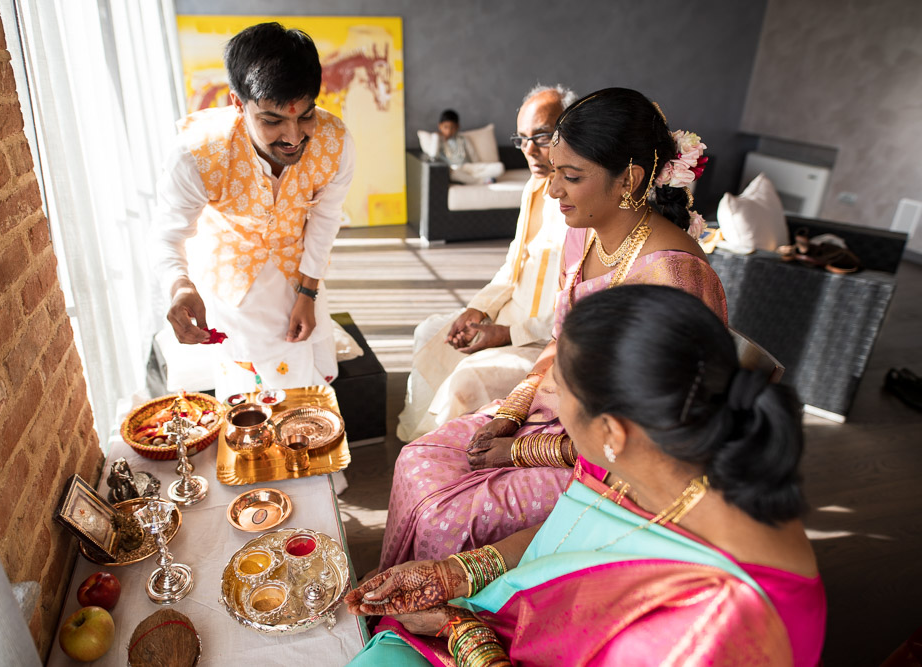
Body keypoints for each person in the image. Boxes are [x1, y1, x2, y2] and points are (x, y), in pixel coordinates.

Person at [347, 285, 826, 666]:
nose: (549, 399)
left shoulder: (715, 624)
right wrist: (456, 572)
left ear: (611, 429)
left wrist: (460, 631)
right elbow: (572, 528)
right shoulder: (665, 451)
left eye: (560, 393)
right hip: (516, 620)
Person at [379, 88, 727, 571]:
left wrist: (522, 450)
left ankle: (451, 620)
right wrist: (511, 412)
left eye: (572, 176)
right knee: (416, 459)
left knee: (446, 512)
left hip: (617, 464)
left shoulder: (673, 278)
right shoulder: (583, 237)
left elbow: (655, 438)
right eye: (555, 171)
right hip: (555, 412)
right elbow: (559, 342)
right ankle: (404, 600)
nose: (554, 189)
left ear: (628, 177)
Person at [151, 22, 355, 394]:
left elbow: (325, 219)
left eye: (305, 115)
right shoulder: (196, 155)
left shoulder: (335, 141)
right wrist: (179, 286)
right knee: (252, 396)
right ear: (237, 103)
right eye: (272, 121)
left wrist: (308, 293)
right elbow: (168, 236)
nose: (294, 137)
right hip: (232, 282)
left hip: (301, 271)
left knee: (311, 390)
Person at [397, 85, 578, 443]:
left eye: (541, 136)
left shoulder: (584, 206)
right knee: (429, 333)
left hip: (544, 343)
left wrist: (506, 335)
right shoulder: (534, 187)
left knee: (467, 376)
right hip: (508, 318)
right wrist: (477, 309)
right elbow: (513, 264)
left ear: (572, 131)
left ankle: (441, 462)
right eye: (522, 138)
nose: (529, 150)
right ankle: (416, 447)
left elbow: (574, 309)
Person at [427, 109, 504, 185]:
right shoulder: (438, 141)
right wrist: (435, 137)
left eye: (452, 127)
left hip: (469, 167)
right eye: (445, 127)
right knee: (453, 174)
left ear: (457, 127)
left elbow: (474, 156)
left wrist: (479, 168)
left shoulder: (463, 139)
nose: (449, 131)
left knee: (500, 167)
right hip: (455, 169)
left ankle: (470, 179)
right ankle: (481, 181)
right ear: (440, 126)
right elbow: (433, 156)